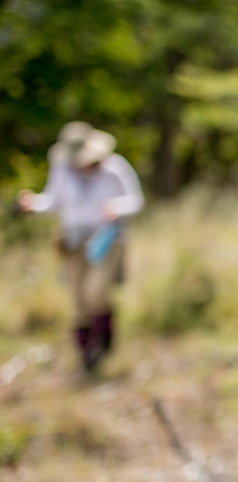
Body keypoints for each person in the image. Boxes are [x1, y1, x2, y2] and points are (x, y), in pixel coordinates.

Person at [16, 121, 144, 374]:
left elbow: (135, 199)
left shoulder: (113, 167)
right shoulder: (63, 169)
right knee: (77, 300)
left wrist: (116, 207)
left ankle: (105, 338)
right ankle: (87, 357)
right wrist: (33, 204)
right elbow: (53, 200)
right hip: (72, 241)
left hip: (105, 240)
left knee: (95, 292)